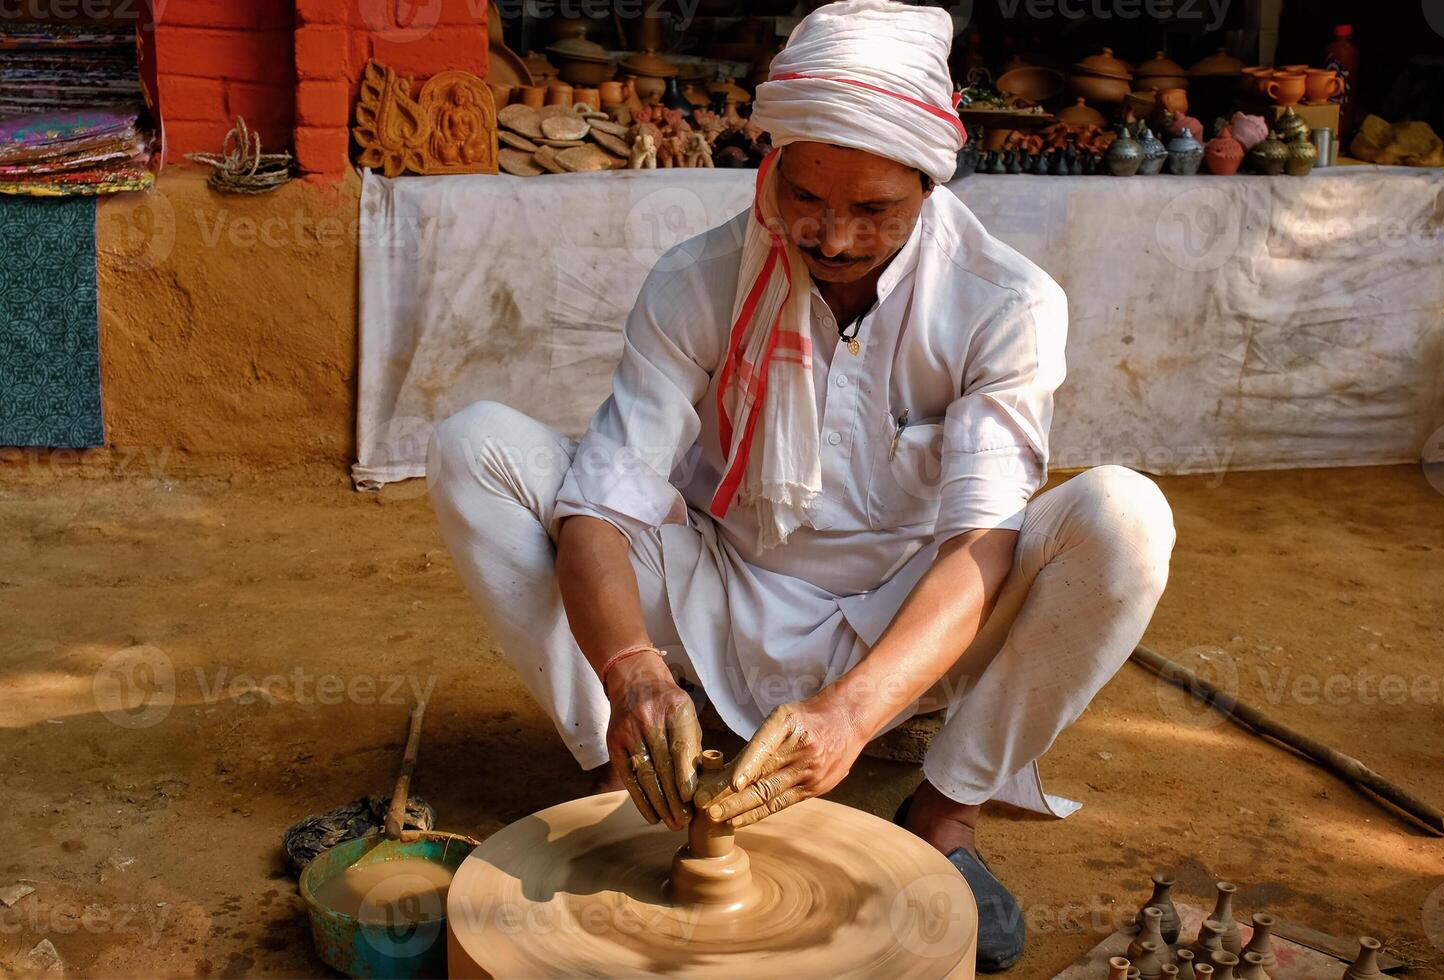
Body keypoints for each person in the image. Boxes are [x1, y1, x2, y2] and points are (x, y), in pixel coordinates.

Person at [428, 0, 1174, 970]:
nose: (831, 235)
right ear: (771, 161)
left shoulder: (1005, 303)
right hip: (717, 584)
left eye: (874, 209)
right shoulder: (696, 281)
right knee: (474, 446)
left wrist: (854, 713)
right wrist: (630, 668)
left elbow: (984, 542)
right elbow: (603, 506)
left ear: (930, 183)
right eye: (804, 194)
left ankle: (946, 813)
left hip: (903, 613)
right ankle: (626, 780)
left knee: (1126, 518)